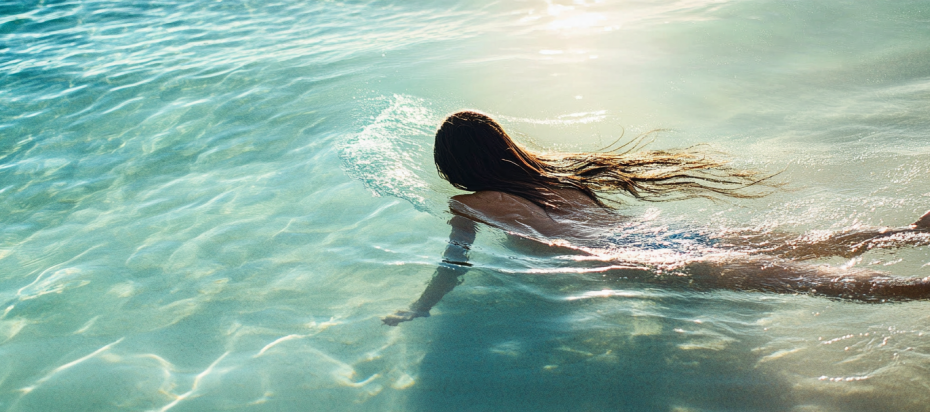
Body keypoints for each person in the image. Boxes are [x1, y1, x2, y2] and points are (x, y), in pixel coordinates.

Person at [382, 111, 930, 326]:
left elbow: (454, 263)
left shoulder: (469, 205)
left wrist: (421, 307)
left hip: (630, 257)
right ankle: (912, 231)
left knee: (804, 281)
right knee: (798, 247)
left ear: (455, 167)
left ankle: (920, 288)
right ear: (503, 148)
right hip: (660, 234)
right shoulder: (556, 180)